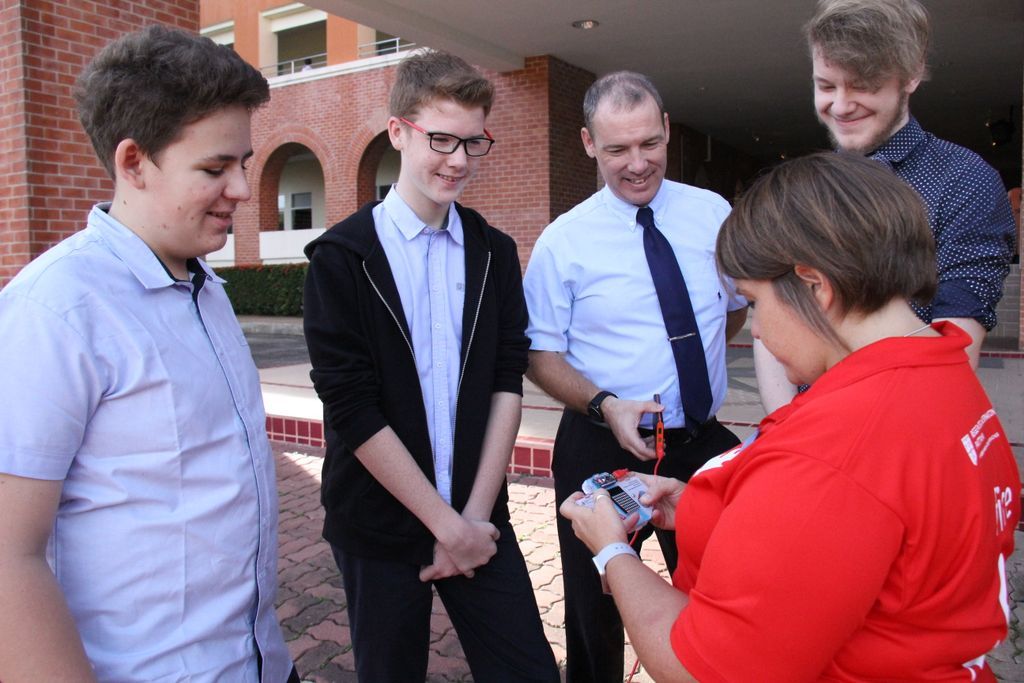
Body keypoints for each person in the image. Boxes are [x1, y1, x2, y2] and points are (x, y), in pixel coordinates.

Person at [561, 151, 1021, 682]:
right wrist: (695, 508)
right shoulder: (942, 367)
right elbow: (853, 541)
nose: (753, 330)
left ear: (813, 286)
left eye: (754, 301)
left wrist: (613, 551)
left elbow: (703, 669)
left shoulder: (838, 450)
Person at [0, 26, 294, 683]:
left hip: (260, 661)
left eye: (244, 162)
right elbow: (6, 555)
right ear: (133, 162)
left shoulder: (205, 284)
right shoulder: (56, 311)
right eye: (216, 168)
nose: (243, 189)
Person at [303, 49, 558, 682]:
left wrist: (471, 521)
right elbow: (351, 408)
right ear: (397, 132)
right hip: (380, 525)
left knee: (528, 670)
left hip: (477, 516)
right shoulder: (343, 259)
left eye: (474, 143)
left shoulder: (495, 253)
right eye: (441, 139)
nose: (459, 161)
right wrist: (443, 524)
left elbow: (506, 377)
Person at [523, 71, 748, 682]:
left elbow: (730, 311)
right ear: (588, 143)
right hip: (599, 445)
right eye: (617, 149)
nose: (637, 163)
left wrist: (690, 380)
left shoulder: (713, 214)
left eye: (649, 143)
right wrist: (604, 404)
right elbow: (539, 355)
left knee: (720, 595)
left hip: (699, 444)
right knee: (594, 608)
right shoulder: (562, 242)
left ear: (668, 131)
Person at [756, 0, 1018, 412]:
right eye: (826, 86)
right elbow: (775, 320)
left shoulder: (966, 179)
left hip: (900, 427)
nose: (840, 106)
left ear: (911, 74)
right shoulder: (809, 184)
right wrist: (787, 428)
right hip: (806, 432)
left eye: (863, 85)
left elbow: (955, 351)